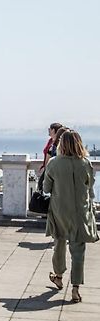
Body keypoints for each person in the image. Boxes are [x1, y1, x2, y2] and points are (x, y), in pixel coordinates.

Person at [44, 130, 99, 303]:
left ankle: (58, 275)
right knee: (78, 250)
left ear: (61, 144)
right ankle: (75, 288)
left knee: (59, 242)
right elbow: (90, 186)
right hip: (80, 212)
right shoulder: (85, 163)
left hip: (60, 210)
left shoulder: (53, 163)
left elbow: (46, 188)